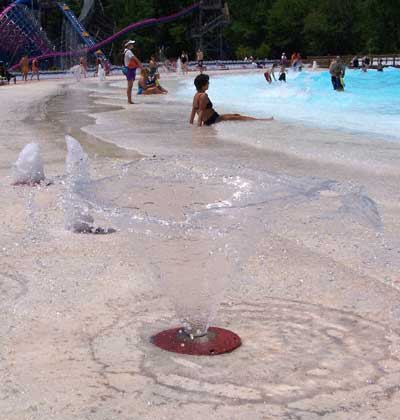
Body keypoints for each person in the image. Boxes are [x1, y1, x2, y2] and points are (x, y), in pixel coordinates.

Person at [189, 73, 273, 127]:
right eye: (208, 82)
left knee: (236, 115)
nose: (209, 84)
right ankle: (262, 120)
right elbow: (201, 112)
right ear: (203, 85)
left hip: (212, 118)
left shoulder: (196, 95)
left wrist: (191, 124)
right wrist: (199, 129)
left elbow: (193, 111)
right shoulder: (204, 95)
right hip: (213, 119)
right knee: (239, 118)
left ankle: (260, 120)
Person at [123, 40, 141, 104]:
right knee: (130, 85)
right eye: (131, 44)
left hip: (128, 69)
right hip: (129, 70)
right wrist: (140, 65)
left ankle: (129, 100)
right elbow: (134, 58)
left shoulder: (126, 51)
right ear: (128, 45)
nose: (132, 45)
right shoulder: (128, 51)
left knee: (130, 85)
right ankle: (129, 100)